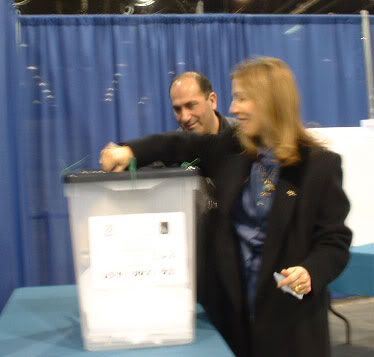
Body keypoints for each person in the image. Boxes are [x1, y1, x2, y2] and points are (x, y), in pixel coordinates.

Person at [100, 57, 352, 357]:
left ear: (270, 101)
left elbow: (334, 241)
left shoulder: (320, 166)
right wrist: (129, 150)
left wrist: (311, 271)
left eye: (242, 98)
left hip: (289, 326)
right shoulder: (231, 148)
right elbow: (175, 145)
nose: (233, 109)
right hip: (232, 318)